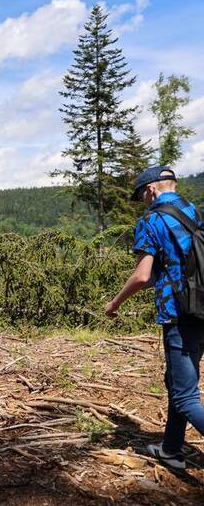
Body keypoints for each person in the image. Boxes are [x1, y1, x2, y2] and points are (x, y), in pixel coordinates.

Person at [105, 166, 204, 470]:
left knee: (186, 396)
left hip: (179, 314)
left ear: (150, 191)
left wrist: (114, 303)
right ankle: (171, 450)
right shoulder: (195, 212)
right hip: (202, 308)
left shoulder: (151, 220)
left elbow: (142, 276)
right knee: (177, 382)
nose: (143, 202)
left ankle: (171, 449)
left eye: (141, 196)